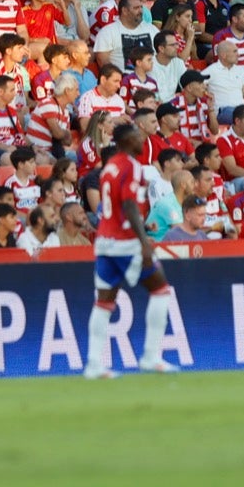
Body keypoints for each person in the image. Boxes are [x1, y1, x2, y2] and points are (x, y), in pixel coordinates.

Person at [83, 123, 180, 379]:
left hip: (104, 241)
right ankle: (150, 357)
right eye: (137, 136)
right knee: (160, 291)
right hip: (125, 241)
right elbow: (127, 204)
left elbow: (114, 206)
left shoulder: (110, 166)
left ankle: (94, 364)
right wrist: (144, 240)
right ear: (127, 141)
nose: (141, 139)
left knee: (104, 301)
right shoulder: (132, 166)